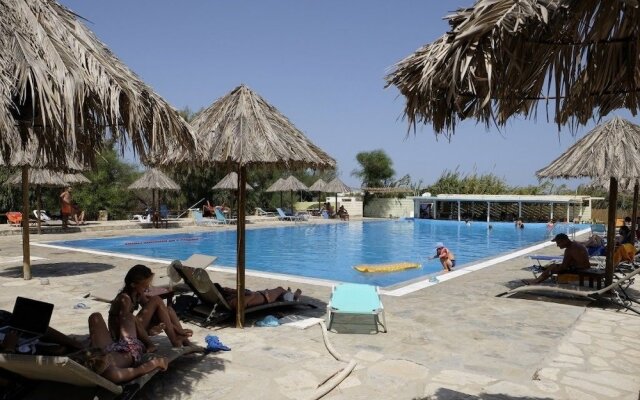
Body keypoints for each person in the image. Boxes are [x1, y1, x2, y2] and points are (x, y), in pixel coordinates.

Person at [109, 265, 192, 348]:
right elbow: (125, 323)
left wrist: (162, 325)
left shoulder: (138, 294)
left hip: (134, 328)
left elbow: (155, 311)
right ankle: (175, 340)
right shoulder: (125, 298)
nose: (147, 288)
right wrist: (150, 332)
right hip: (122, 334)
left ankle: (186, 342)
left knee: (168, 310)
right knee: (156, 299)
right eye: (144, 286)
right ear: (133, 284)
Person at [81, 312, 168, 383]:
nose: (109, 356)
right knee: (127, 315)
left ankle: (114, 336)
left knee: (95, 316)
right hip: (129, 349)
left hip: (109, 347)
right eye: (108, 356)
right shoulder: (113, 374)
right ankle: (149, 344)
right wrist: (159, 362)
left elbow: (99, 354)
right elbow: (138, 370)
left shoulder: (99, 356)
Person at [0, 309, 83, 356]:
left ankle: (75, 344)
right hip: (19, 353)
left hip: (23, 338)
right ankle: (75, 346)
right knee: (60, 350)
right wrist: (9, 347)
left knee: (35, 326)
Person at [523, 233, 590, 285]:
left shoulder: (569, 249)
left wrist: (551, 270)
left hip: (581, 270)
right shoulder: (575, 244)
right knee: (553, 266)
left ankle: (536, 281)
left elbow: (564, 267)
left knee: (552, 267)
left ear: (565, 241)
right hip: (584, 267)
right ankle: (538, 280)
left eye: (559, 242)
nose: (557, 245)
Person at [215, 284, 302, 310]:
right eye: (224, 289)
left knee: (279, 289)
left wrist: (233, 292)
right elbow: (250, 294)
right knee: (280, 290)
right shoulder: (233, 302)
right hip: (265, 297)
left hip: (262, 295)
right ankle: (293, 296)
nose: (227, 288)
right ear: (223, 292)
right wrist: (234, 291)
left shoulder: (228, 299)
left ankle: (289, 293)